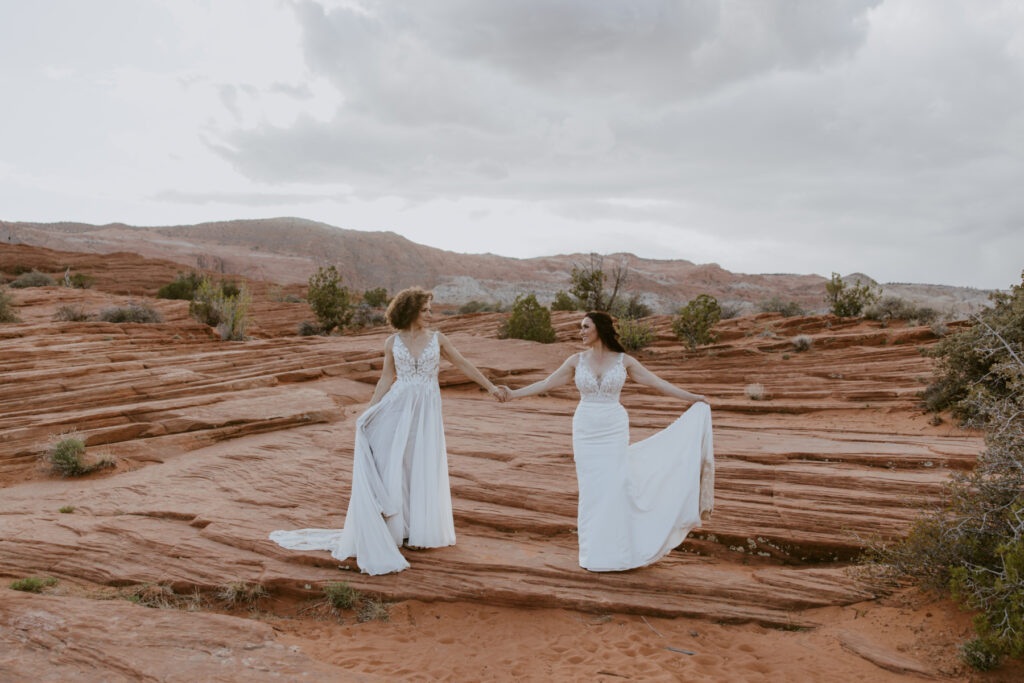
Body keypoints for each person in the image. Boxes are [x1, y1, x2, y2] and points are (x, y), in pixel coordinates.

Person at [271, 287, 507, 574]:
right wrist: (370, 410)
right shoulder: (391, 343)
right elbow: (386, 379)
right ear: (410, 310)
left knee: (421, 465)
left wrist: (491, 387)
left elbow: (463, 364)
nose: (431, 314)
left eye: (430, 309)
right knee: (397, 465)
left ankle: (419, 532)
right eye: (425, 309)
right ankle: (399, 530)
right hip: (397, 408)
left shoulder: (438, 339)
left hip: (426, 412)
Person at [501, 311, 714, 572]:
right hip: (585, 429)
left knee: (616, 486)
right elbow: (547, 383)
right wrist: (513, 394)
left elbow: (656, 383)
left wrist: (692, 397)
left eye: (585, 327)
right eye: (580, 327)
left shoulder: (624, 361)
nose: (580, 331)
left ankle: (620, 552)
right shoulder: (575, 361)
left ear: (599, 329)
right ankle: (595, 555)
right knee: (592, 491)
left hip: (613, 428)